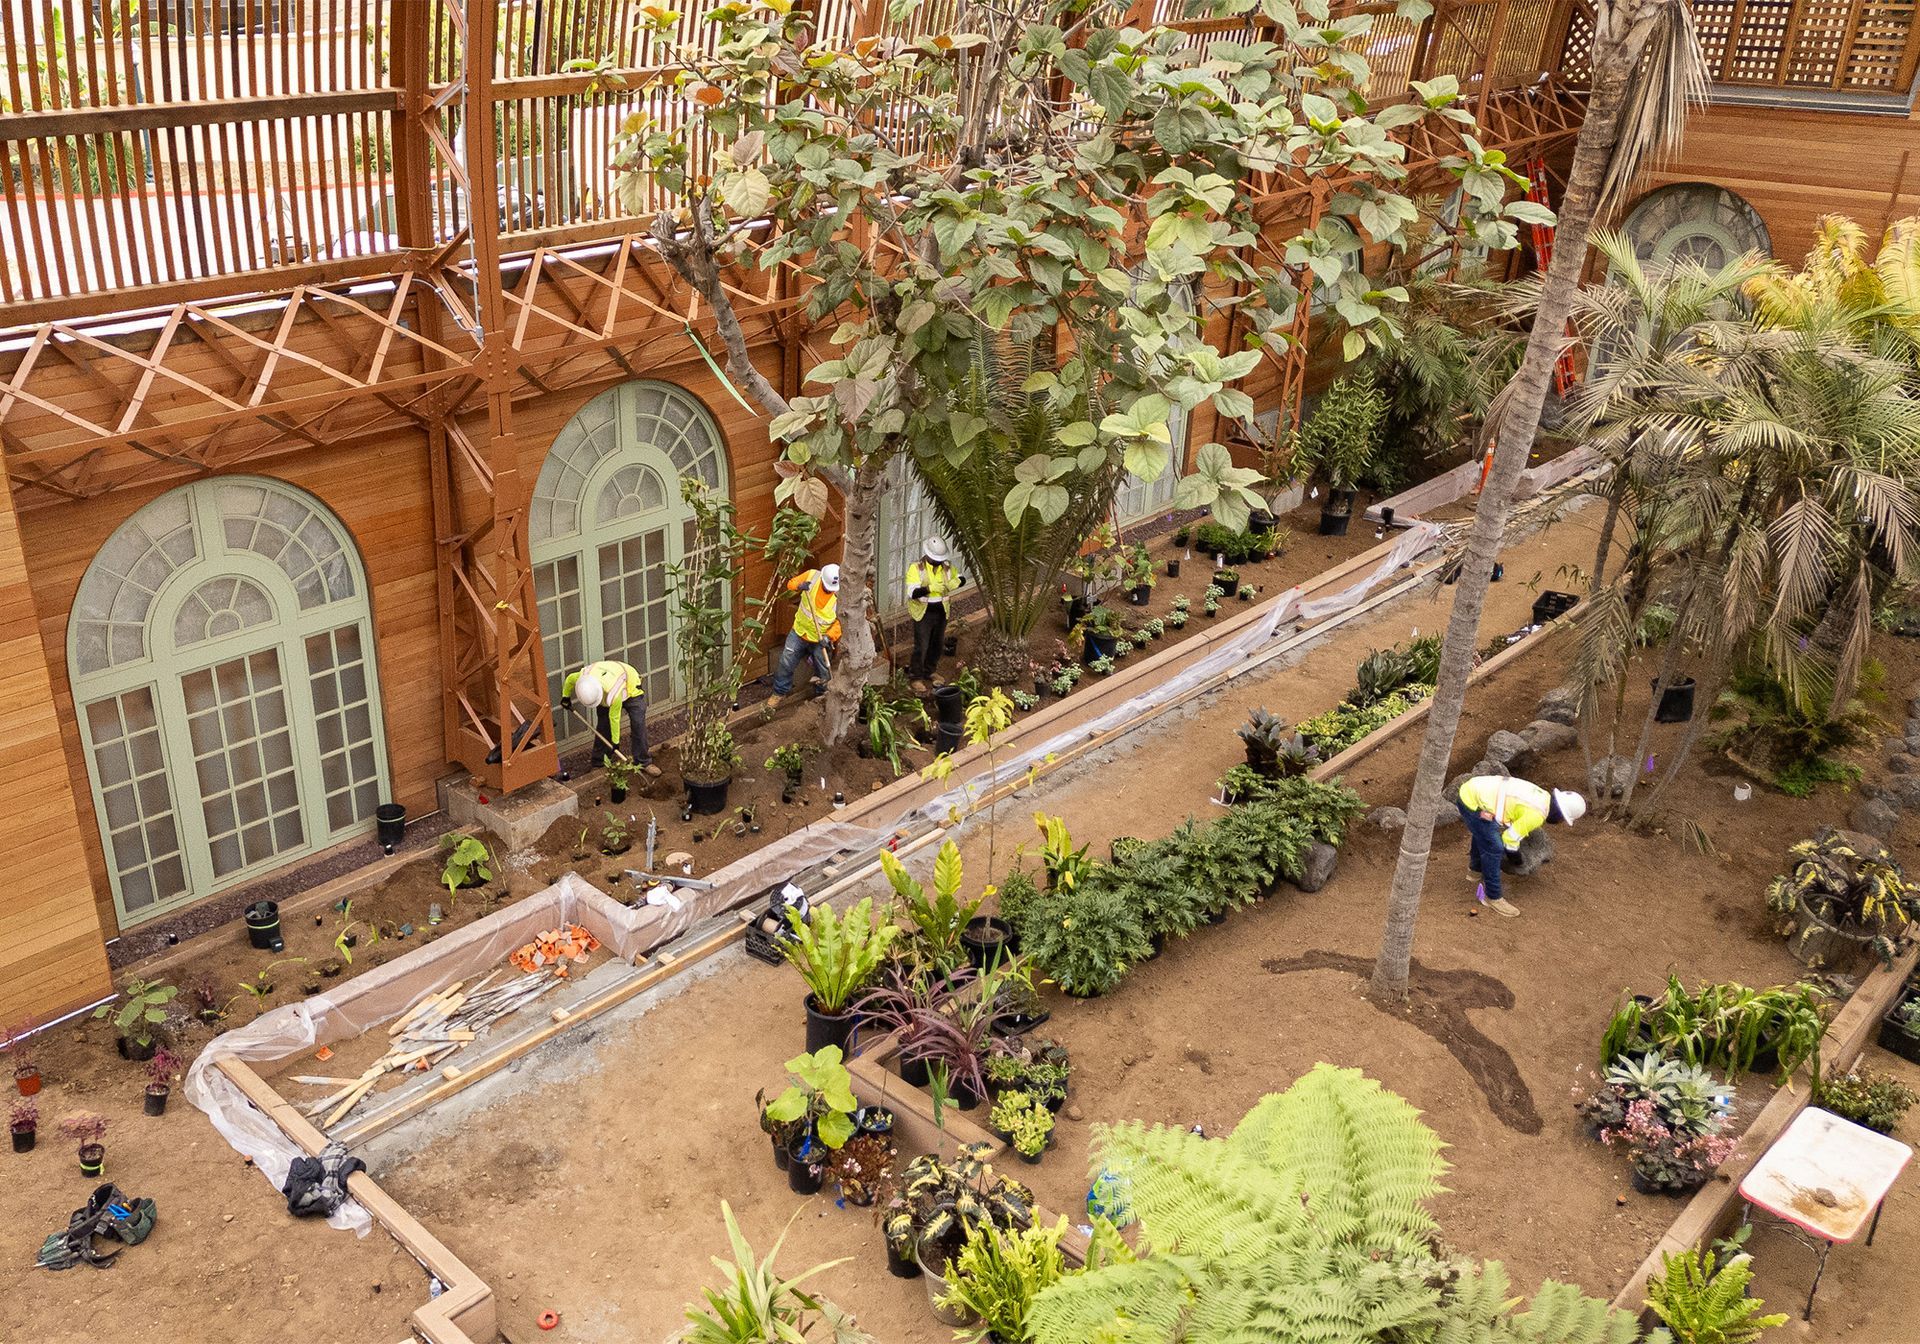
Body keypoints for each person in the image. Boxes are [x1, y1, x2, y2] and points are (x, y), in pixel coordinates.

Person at [1455, 774, 1586, 917]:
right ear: (1560, 813)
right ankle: (1492, 897)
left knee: (1483, 833)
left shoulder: (1543, 796)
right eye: (1563, 819)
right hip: (1472, 802)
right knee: (1494, 847)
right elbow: (1509, 839)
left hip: (1472, 790)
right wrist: (1517, 860)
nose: (1560, 822)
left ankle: (1475, 870)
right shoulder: (1536, 815)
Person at [561, 660, 661, 777]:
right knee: (603, 726)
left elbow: (614, 717)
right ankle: (599, 762)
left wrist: (615, 743)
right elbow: (569, 679)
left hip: (631, 687)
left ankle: (643, 761)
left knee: (638, 724)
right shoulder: (584, 678)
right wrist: (565, 697)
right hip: (609, 682)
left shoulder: (613, 692)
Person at [766, 563, 841, 711]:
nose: (828, 590)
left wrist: (829, 637)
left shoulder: (840, 598)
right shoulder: (812, 576)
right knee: (786, 661)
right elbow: (790, 584)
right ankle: (779, 693)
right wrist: (799, 586)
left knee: (823, 669)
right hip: (799, 632)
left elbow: (840, 624)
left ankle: (823, 695)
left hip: (820, 640)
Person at [905, 538, 963, 692]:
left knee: (937, 644)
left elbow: (961, 578)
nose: (938, 562)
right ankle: (916, 677)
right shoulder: (916, 569)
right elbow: (912, 592)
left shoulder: (947, 568)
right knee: (921, 646)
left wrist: (956, 582)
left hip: (941, 612)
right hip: (923, 613)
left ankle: (929, 670)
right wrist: (929, 588)